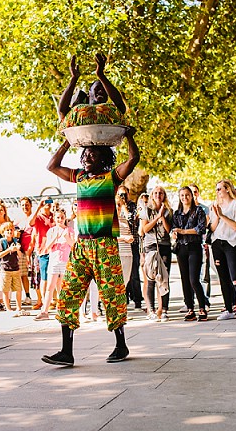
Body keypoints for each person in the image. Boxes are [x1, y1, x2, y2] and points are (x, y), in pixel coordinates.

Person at [42, 121, 139, 367]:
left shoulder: (112, 178)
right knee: (68, 295)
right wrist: (69, 140)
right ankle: (66, 351)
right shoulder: (80, 176)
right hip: (81, 247)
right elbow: (52, 165)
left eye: (92, 154)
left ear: (104, 158)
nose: (86, 157)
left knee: (112, 295)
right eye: (84, 153)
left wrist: (129, 137)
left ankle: (121, 344)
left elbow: (133, 159)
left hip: (105, 245)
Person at [210, 180, 236, 322]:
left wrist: (222, 215)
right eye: (216, 189)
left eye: (220, 189)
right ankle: (228, 309)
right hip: (217, 243)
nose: (217, 192)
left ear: (227, 189)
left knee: (235, 277)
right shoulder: (216, 205)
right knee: (223, 278)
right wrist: (216, 215)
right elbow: (212, 228)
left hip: (231, 243)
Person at [173, 186, 209, 322]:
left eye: (187, 195)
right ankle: (190, 309)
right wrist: (175, 233)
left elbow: (200, 229)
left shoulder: (198, 210)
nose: (185, 198)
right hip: (181, 248)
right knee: (185, 280)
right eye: (182, 195)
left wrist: (182, 231)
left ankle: (202, 307)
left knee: (194, 279)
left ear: (192, 196)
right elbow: (173, 228)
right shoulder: (177, 213)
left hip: (194, 247)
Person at [140, 186, 173, 322]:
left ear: (164, 195)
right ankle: (151, 310)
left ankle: (164, 309)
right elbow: (145, 229)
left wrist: (163, 217)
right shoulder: (146, 210)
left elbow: (168, 230)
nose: (158, 195)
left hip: (164, 245)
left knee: (164, 277)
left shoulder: (169, 211)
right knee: (151, 277)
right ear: (152, 195)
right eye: (155, 193)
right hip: (151, 245)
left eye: (161, 193)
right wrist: (156, 218)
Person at [35, 209, 75, 320]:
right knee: (50, 287)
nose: (60, 220)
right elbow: (47, 247)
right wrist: (54, 237)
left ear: (65, 218)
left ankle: (64, 311)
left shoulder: (69, 230)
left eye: (62, 217)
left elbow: (73, 245)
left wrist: (67, 238)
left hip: (65, 261)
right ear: (55, 218)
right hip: (54, 261)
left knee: (62, 287)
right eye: (58, 217)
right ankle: (45, 311)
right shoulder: (51, 231)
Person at [0, 222, 27, 316]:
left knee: (18, 289)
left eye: (11, 230)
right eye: (7, 230)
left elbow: (20, 256)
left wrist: (17, 249)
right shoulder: (2, 242)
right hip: (5, 268)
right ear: (3, 232)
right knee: (5, 289)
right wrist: (9, 250)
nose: (10, 232)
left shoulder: (15, 241)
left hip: (15, 268)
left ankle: (19, 307)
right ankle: (8, 308)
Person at [30, 198, 55, 311]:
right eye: (46, 202)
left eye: (50, 202)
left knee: (54, 276)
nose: (48, 204)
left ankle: (53, 300)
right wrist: (38, 207)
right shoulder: (39, 217)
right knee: (44, 278)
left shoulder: (54, 216)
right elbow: (30, 222)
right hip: (43, 251)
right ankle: (44, 301)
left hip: (55, 251)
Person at [13, 197, 35, 305]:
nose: (25, 207)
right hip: (22, 250)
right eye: (22, 205)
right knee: (23, 274)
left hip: (34, 249)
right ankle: (28, 296)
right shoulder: (18, 220)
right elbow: (13, 234)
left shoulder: (35, 217)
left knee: (37, 275)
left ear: (31, 205)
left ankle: (42, 297)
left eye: (27, 204)